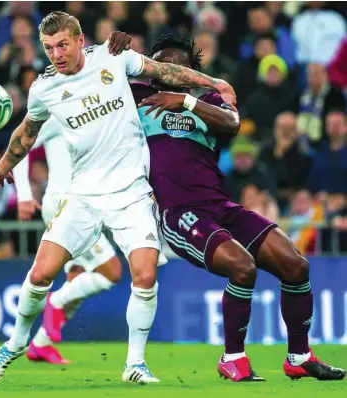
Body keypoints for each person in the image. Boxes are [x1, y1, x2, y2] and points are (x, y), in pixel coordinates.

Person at [0, 12, 235, 384]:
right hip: (82, 195)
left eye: (63, 45)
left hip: (131, 192)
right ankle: (15, 344)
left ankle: (135, 364)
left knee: (144, 276)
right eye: (49, 48)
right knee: (40, 274)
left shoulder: (113, 58)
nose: (56, 54)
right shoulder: (44, 89)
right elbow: (26, 133)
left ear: (80, 40)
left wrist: (214, 82)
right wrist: (4, 167)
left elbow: (165, 73)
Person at [132, 34, 345, 382]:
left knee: (295, 265)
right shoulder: (137, 96)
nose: (168, 70)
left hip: (220, 204)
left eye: (176, 64)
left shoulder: (209, 99)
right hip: (179, 212)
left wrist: (185, 101)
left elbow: (231, 124)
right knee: (242, 268)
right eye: (161, 63)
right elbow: (100, 80)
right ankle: (233, 358)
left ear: (191, 70)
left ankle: (299, 356)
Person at [13, 117, 122, 365]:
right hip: (66, 206)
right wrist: (24, 195)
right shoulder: (56, 112)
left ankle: (41, 345)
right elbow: (20, 145)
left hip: (80, 206)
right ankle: (55, 301)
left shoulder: (93, 111)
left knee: (78, 277)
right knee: (111, 272)